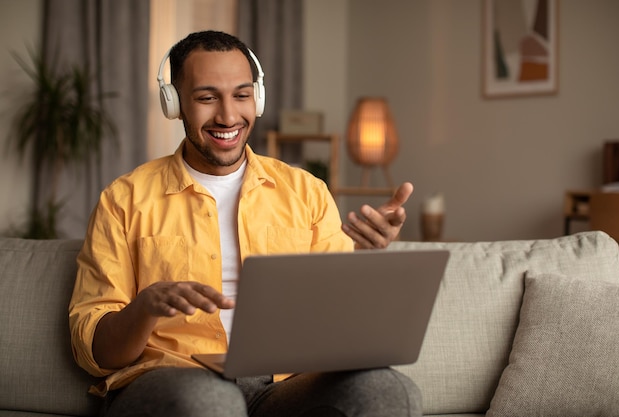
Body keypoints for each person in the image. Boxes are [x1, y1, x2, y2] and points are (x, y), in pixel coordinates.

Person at [69, 30, 421, 417]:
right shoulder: (123, 199)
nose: (228, 116)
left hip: (284, 386)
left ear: (258, 97)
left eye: (241, 95)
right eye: (206, 97)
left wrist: (367, 258)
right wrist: (145, 307)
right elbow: (96, 353)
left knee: (387, 389)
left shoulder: (306, 192)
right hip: (172, 379)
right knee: (212, 402)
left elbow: (337, 322)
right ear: (175, 104)